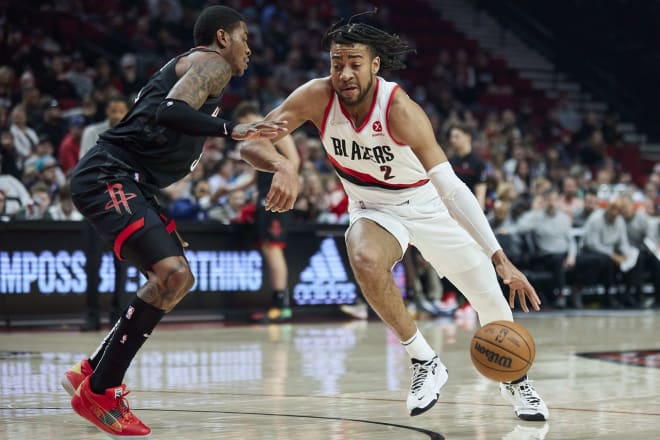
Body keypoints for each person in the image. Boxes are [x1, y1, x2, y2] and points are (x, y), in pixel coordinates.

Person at [239, 18, 548, 421]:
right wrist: (283, 165)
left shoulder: (400, 109)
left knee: (489, 299)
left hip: (427, 204)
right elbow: (252, 142)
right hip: (373, 208)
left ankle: (517, 382)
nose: (344, 73)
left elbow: (452, 188)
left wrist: (499, 257)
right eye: (336, 63)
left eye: (354, 63)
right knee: (364, 256)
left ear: (375, 65)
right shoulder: (316, 96)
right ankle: (425, 361)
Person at [60, 6, 298, 438]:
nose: (250, 48)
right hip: (110, 175)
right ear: (223, 37)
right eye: (245, 37)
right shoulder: (213, 62)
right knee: (170, 274)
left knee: (178, 278)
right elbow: (170, 111)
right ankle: (101, 389)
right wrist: (231, 129)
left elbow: (166, 119)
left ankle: (92, 369)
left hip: (133, 183)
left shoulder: (200, 69)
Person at [233, 101, 301, 323]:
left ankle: (282, 306)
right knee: (268, 247)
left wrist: (287, 188)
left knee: (273, 248)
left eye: (248, 123)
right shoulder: (256, 141)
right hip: (264, 198)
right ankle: (277, 302)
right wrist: (228, 189)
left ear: (257, 116)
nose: (246, 130)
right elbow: (254, 177)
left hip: (277, 195)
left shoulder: (276, 130)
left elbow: (295, 161)